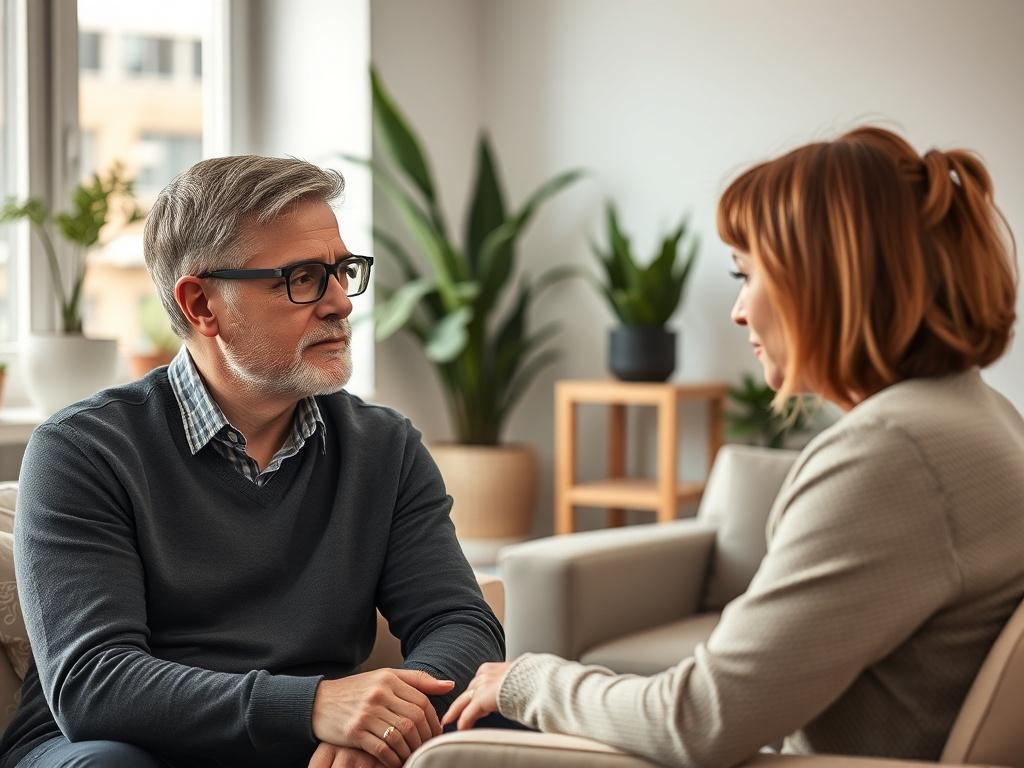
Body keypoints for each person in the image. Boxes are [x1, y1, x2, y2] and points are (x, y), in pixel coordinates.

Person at [444, 126, 1024, 766]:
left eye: (748, 275)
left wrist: (528, 679)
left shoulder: (891, 453)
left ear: (822, 281)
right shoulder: (984, 416)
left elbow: (697, 722)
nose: (739, 311)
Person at [0, 156, 505, 768]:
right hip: (122, 746)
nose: (341, 303)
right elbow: (96, 686)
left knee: (508, 720)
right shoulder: (81, 450)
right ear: (202, 305)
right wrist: (314, 705)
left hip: (311, 746)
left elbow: (460, 622)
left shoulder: (385, 447)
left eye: (342, 271)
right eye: (302, 279)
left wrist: (392, 726)